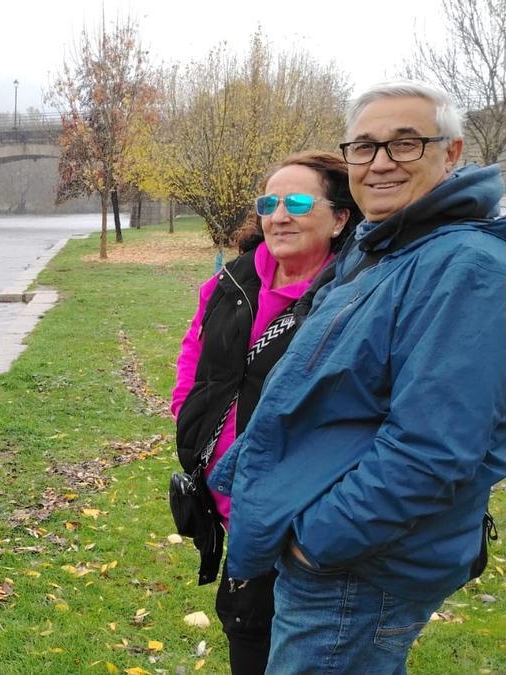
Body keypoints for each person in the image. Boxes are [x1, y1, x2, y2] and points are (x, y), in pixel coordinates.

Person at [210, 79, 506, 674]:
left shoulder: (465, 268)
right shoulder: (390, 248)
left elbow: (432, 451)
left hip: (358, 573)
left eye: (405, 144)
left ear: (451, 153)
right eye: (363, 147)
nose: (379, 164)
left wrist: (317, 542)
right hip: (347, 559)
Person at [171, 151, 362, 674]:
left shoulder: (355, 295)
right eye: (269, 203)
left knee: (314, 645)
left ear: (340, 217)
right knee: (247, 630)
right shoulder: (233, 283)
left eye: (298, 202)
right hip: (234, 504)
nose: (279, 215)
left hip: (306, 518)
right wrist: (192, 428)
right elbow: (194, 358)